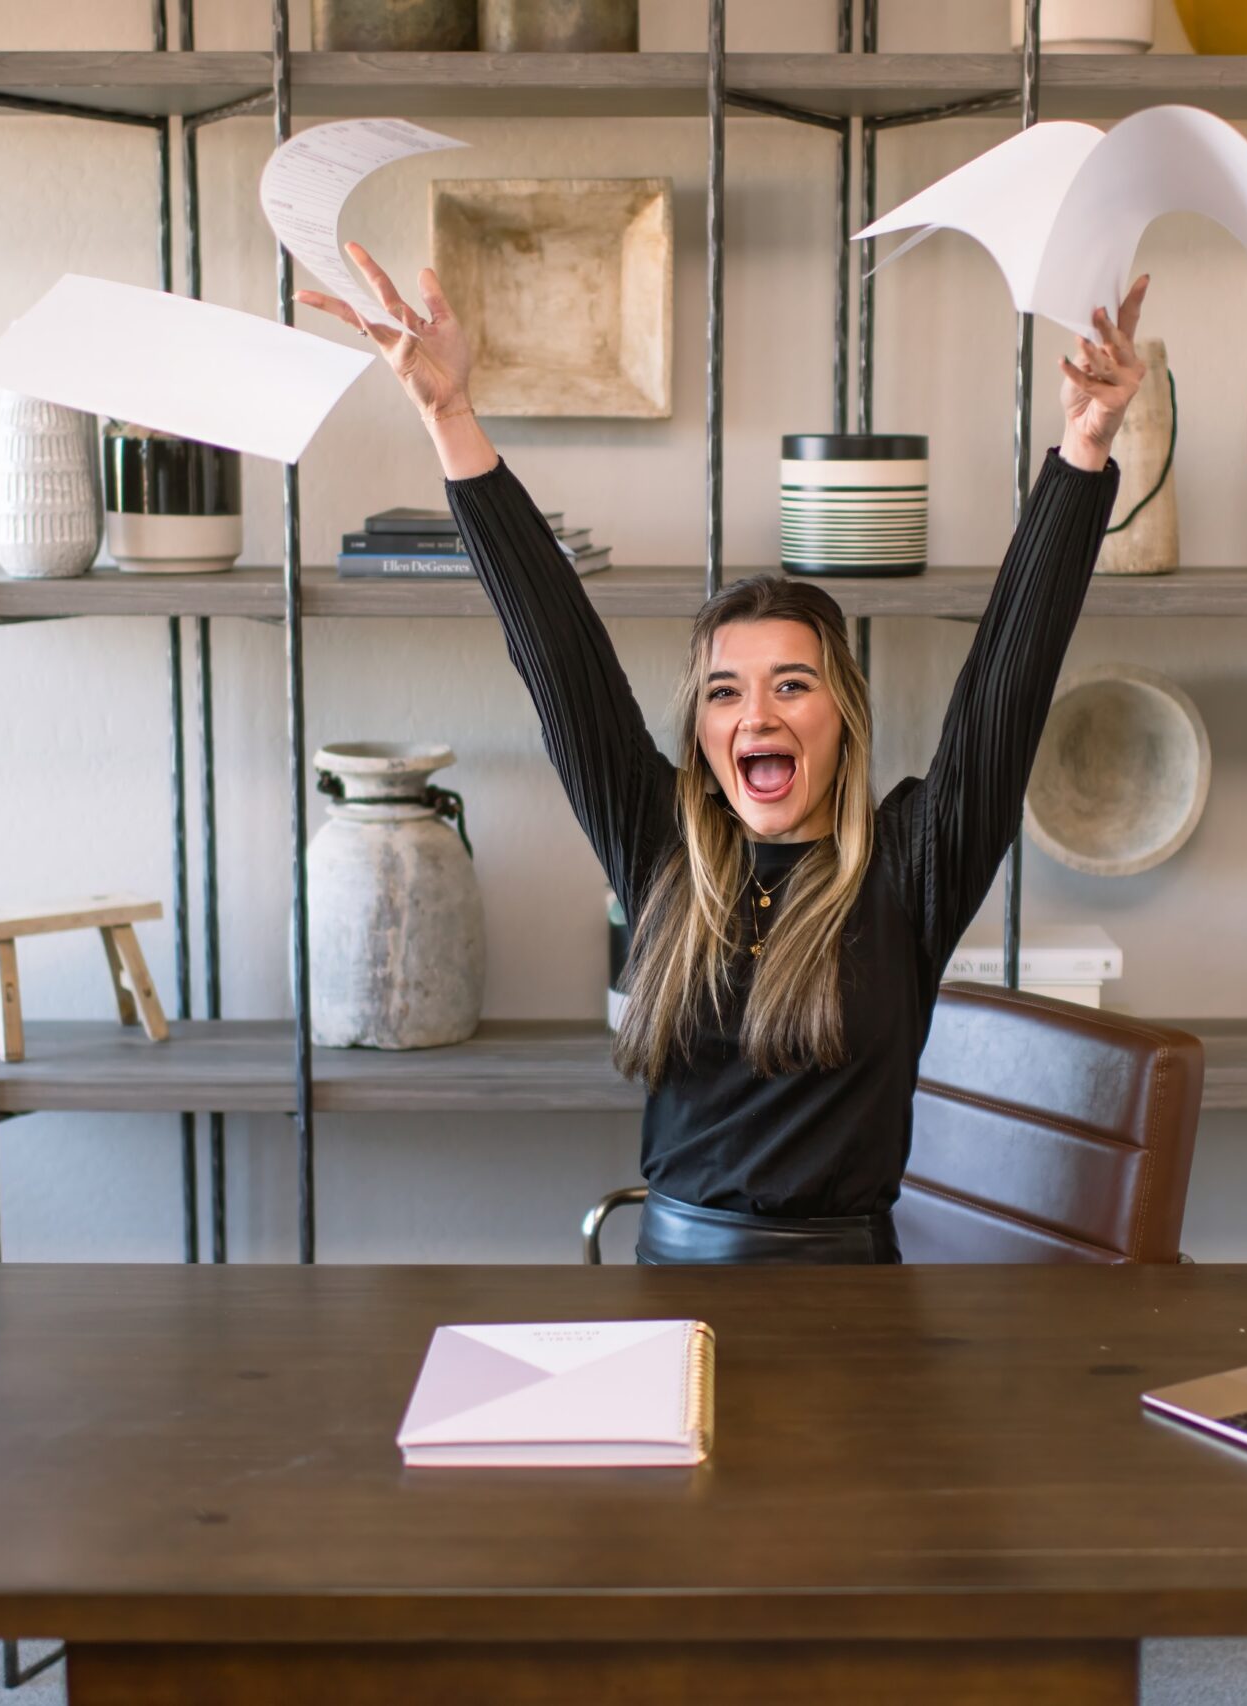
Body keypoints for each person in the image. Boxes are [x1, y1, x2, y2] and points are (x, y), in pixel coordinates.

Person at [300, 241, 1148, 1265]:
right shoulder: (659, 847)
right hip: (671, 1284)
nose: (756, 714)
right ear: (701, 733)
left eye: (792, 684)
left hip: (854, 1308)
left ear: (841, 714)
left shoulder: (911, 863)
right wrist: (449, 417)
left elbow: (1007, 680)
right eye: (724, 691)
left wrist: (1084, 451)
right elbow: (557, 652)